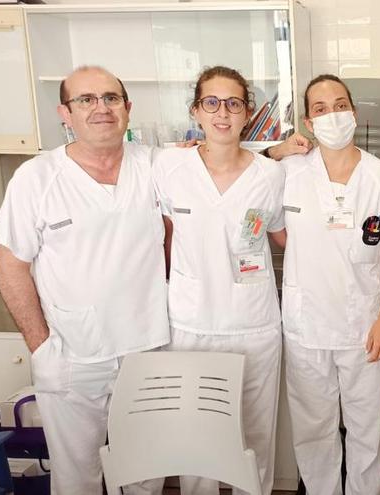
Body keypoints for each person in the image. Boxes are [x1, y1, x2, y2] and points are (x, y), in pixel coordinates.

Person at [0, 66, 170, 495]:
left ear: (127, 109)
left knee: (146, 474)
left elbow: (218, 162)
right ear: (65, 114)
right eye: (86, 100)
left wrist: (279, 152)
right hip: (73, 355)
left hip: (147, 348)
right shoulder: (36, 179)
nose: (101, 109)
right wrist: (41, 345)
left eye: (111, 98)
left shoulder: (156, 165)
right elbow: (12, 266)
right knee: (77, 479)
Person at [150, 66, 286, 495]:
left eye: (233, 103)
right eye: (211, 102)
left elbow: (285, 238)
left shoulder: (271, 176)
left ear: (247, 113)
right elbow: (163, 237)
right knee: (199, 440)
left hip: (254, 324)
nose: (222, 113)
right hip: (191, 323)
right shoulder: (169, 166)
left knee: (256, 438)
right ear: (196, 110)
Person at [280, 74, 380, 495]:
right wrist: (278, 148)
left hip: (364, 325)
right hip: (306, 327)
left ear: (352, 110)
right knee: (314, 431)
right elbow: (277, 230)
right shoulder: (288, 173)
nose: (331, 114)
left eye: (339, 104)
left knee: (367, 429)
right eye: (319, 108)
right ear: (308, 122)